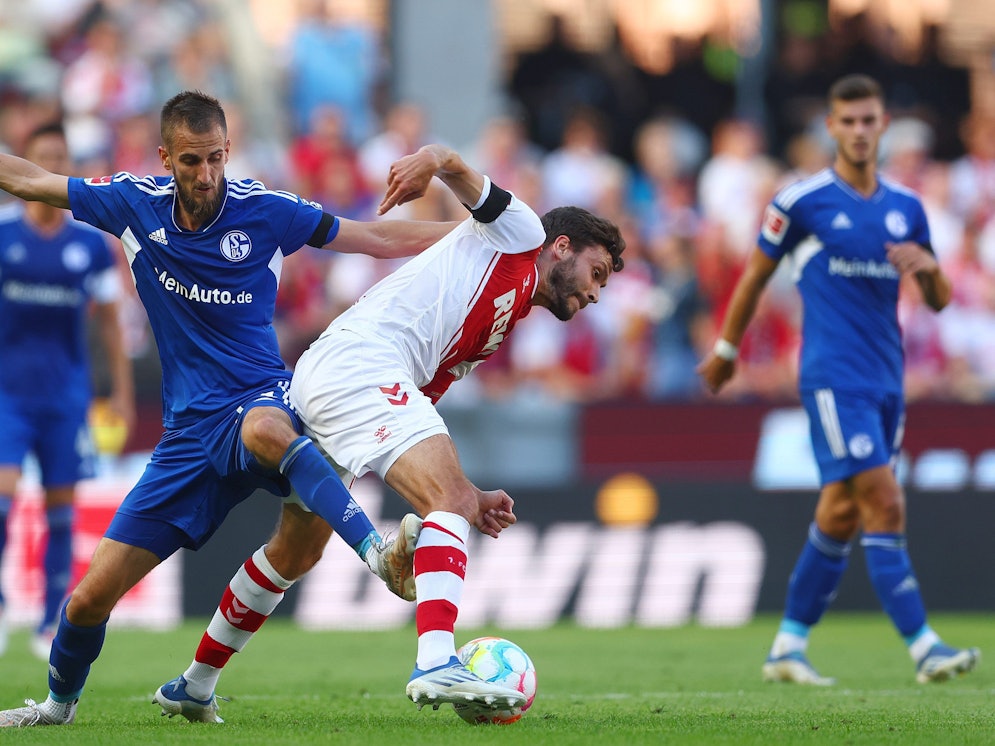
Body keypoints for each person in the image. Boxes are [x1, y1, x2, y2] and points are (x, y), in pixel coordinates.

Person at [0, 90, 456, 728]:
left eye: (216, 158)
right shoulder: (132, 203)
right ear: (166, 157)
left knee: (275, 453)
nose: (207, 175)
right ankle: (58, 705)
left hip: (264, 400)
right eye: (191, 161)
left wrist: (477, 236)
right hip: (187, 436)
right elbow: (30, 179)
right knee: (87, 600)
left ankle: (381, 555)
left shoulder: (265, 211)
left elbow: (375, 235)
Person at [155, 142, 625, 722]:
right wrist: (431, 161)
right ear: (562, 247)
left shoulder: (504, 312)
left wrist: (465, 493)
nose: (595, 293)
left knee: (296, 551)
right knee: (443, 499)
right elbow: (457, 167)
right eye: (596, 273)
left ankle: (194, 685)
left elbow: (421, 408)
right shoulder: (522, 233)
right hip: (362, 363)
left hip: (344, 374)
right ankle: (434, 660)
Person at [697, 74, 980, 685]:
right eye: (847, 121)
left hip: (887, 379)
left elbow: (937, 298)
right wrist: (727, 347)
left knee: (841, 514)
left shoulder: (906, 209)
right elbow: (752, 276)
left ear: (882, 126)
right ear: (831, 127)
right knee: (884, 499)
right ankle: (924, 646)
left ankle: (786, 648)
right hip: (830, 377)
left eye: (868, 120)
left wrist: (929, 268)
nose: (857, 131)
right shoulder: (803, 202)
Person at [0, 122, 135, 662]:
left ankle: (48, 618)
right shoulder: (4, 237)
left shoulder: (91, 247)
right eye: (42, 157)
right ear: (25, 170)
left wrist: (120, 391)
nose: (51, 165)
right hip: (8, 394)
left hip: (65, 396)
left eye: (60, 157)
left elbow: (108, 324)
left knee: (61, 508)